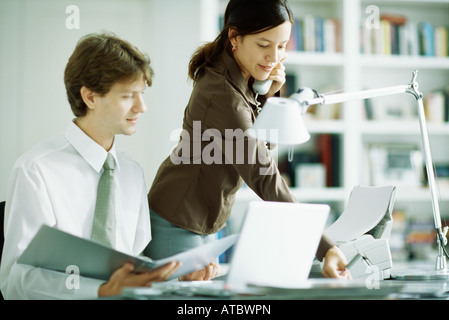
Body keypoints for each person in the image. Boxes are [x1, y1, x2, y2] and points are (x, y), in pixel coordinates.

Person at [0, 32, 215, 300]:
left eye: (142, 94)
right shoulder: (36, 170)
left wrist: (178, 276)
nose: (142, 107)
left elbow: (133, 265)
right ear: (90, 97)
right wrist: (100, 292)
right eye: (128, 96)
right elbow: (17, 280)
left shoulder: (131, 172)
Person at [146, 0, 350, 279]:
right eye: (264, 45)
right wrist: (325, 248)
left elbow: (263, 144)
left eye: (281, 46)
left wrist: (268, 93)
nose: (274, 57)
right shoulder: (223, 95)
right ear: (235, 37)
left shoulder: (239, 78)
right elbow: (262, 172)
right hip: (176, 220)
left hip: (203, 220)